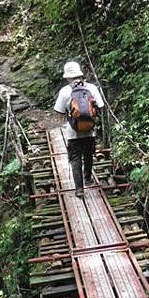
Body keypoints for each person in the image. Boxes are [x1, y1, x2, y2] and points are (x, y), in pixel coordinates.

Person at [54, 61, 104, 198]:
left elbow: (59, 111)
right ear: (79, 73)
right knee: (88, 154)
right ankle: (88, 179)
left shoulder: (65, 91)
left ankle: (79, 189)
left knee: (75, 158)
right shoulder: (92, 88)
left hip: (72, 132)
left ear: (68, 77)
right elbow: (100, 105)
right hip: (89, 130)